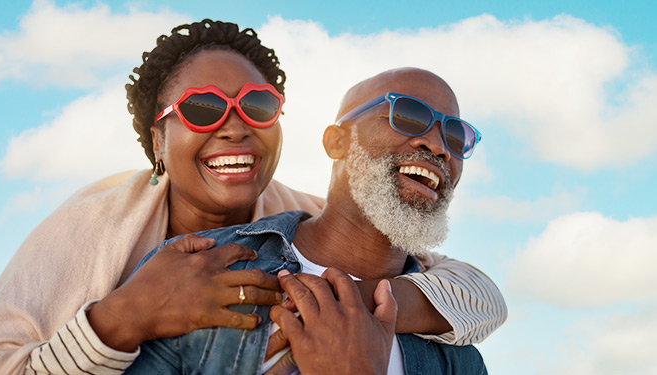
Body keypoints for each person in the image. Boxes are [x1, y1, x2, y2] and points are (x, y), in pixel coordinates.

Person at [0, 20, 505, 375]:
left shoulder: (313, 217)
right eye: (202, 108)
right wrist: (122, 319)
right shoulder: (95, 227)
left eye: (258, 106)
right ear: (158, 140)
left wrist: (356, 304)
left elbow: (472, 291)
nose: (235, 127)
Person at [123, 67, 500, 375]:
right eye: (407, 115)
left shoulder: (457, 353)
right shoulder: (199, 272)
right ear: (336, 141)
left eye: (455, 135)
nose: (437, 146)